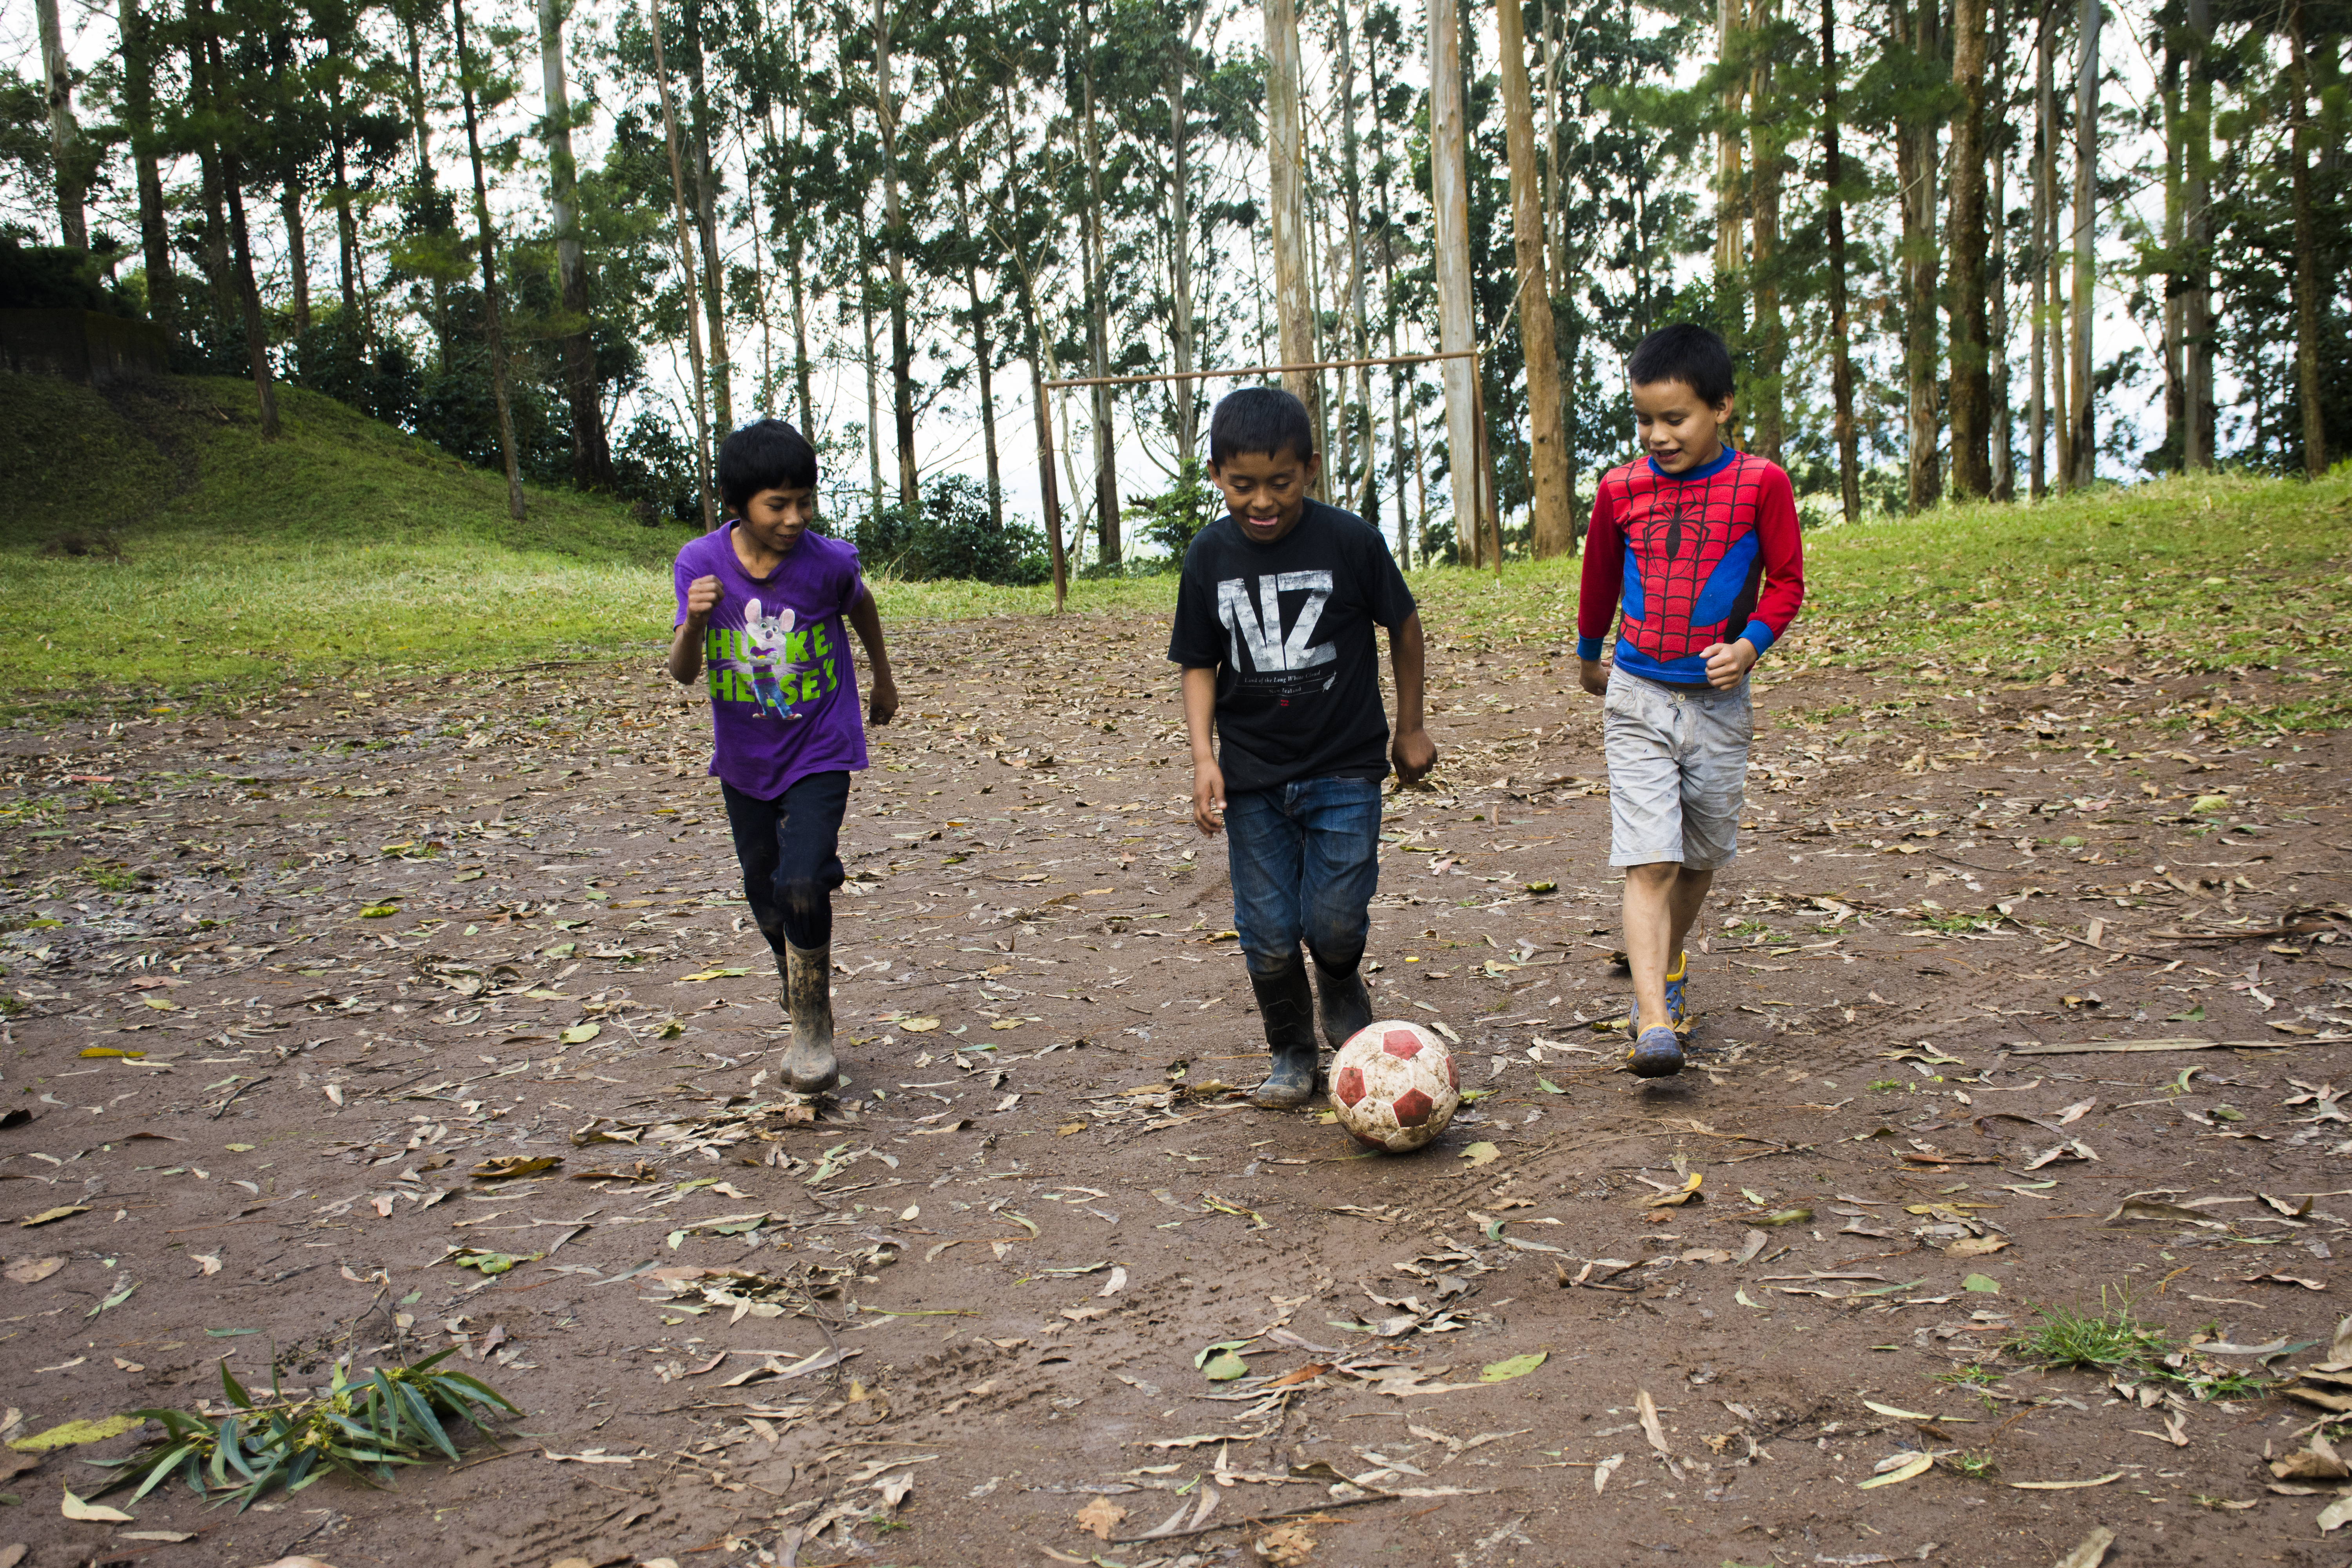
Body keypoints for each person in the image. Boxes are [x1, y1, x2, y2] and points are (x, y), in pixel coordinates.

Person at [1169, 387, 1437, 1108]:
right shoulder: (1209, 556)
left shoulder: (1349, 541)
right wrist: (1203, 756)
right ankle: (1291, 1052)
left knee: (1335, 920)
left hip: (1345, 764)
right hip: (1254, 776)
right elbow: (1199, 662)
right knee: (1267, 931)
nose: (1263, 501)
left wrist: (1411, 725)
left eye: (1280, 483)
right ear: (1218, 476)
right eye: (1243, 484)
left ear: (1309, 470)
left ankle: (1342, 978)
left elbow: (1404, 628)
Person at [1577, 324, 1805, 1078]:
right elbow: (1600, 582)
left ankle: (1668, 961)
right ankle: (1652, 1021)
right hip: (1638, 694)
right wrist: (1589, 657)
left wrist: (1749, 649)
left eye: (1675, 418)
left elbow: (1787, 585)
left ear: (1723, 409)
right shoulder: (1620, 490)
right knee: (1651, 860)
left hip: (1717, 709)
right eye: (1645, 419)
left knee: (1699, 860)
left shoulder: (1762, 485)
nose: (1658, 435)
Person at [668, 419, 899, 1092]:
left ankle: (811, 1027)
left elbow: (863, 607)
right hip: (745, 757)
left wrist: (883, 680)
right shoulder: (699, 564)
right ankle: (800, 981)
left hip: (821, 747)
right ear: (738, 504)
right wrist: (696, 621)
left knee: (803, 881)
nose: (796, 517)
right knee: (766, 893)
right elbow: (682, 671)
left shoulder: (829, 562)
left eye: (806, 500)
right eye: (779, 504)